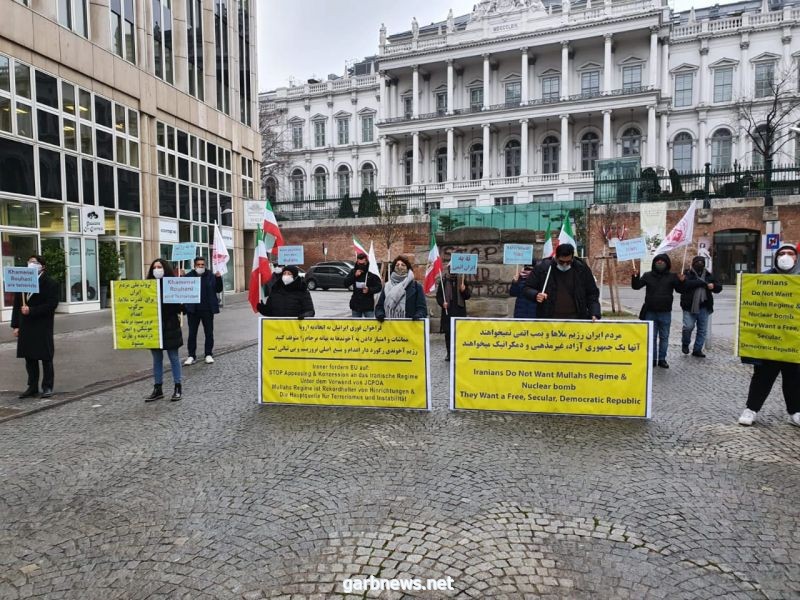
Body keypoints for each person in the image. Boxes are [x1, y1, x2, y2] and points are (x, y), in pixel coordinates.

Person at [738, 242, 800, 427]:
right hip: (768, 340)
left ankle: (796, 411)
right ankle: (751, 409)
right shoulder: (762, 279)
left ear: (796, 257)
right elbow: (752, 308)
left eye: (790, 253)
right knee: (762, 377)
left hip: (794, 341)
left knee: (794, 379)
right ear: (776, 257)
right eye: (782, 253)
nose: (786, 256)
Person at [10, 255, 59, 398]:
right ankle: (32, 386)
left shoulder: (50, 283)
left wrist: (32, 310)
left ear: (42, 266)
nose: (31, 264)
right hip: (27, 326)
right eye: (29, 262)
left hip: (42, 325)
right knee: (29, 358)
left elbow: (51, 305)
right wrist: (16, 325)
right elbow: (17, 305)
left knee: (45, 357)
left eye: (35, 262)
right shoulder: (23, 281)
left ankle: (47, 386)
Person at [631, 253, 685, 369]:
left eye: (662, 261)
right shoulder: (647, 275)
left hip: (665, 312)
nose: (660, 263)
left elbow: (681, 290)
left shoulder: (672, 276)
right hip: (651, 311)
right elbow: (636, 286)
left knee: (664, 337)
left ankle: (662, 359)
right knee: (652, 337)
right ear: (654, 263)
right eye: (657, 261)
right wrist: (635, 277)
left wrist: (681, 281)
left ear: (667, 263)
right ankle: (652, 359)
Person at [524, 244, 601, 321]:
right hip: (549, 319)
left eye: (568, 262)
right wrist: (536, 295)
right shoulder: (543, 268)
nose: (565, 264)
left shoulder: (581, 269)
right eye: (561, 262)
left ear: (572, 258)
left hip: (577, 319)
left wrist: (594, 312)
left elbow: (592, 293)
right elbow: (527, 288)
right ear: (556, 257)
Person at [145, 259, 183, 402]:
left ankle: (178, 386)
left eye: (159, 267)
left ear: (165, 269)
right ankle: (158, 388)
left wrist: (182, 305)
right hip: (154, 326)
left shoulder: (173, 285)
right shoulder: (147, 286)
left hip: (170, 325)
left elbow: (181, 309)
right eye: (154, 267)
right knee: (156, 359)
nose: (157, 269)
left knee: (173, 357)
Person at [183, 256, 224, 365]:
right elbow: (182, 291)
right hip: (193, 310)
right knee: (192, 333)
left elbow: (218, 289)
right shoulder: (189, 276)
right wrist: (181, 278)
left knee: (209, 333)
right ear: (194, 265)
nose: (200, 266)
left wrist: (219, 278)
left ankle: (208, 354)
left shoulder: (211, 276)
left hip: (207, 309)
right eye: (198, 265)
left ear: (205, 265)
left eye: (202, 265)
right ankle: (191, 355)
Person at [679, 254, 722, 357]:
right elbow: (685, 286)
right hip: (689, 306)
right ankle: (685, 343)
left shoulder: (708, 275)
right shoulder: (687, 274)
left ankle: (697, 349)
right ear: (693, 264)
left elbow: (719, 287)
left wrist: (714, 286)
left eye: (702, 262)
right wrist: (701, 283)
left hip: (704, 306)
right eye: (697, 262)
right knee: (688, 327)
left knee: (702, 330)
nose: (700, 264)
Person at [375, 256, 428, 323]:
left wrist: (418, 316)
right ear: (394, 268)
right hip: (389, 326)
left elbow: (422, 308)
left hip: (409, 326)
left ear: (408, 268)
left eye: (403, 265)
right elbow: (379, 307)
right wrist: (380, 315)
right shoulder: (386, 286)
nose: (400, 267)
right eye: (397, 265)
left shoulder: (416, 286)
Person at [436, 268, 471, 361]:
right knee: (448, 334)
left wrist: (463, 290)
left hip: (459, 311)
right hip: (448, 312)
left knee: (459, 334)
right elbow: (438, 296)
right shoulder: (443, 281)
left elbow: (467, 296)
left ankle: (459, 352)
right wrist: (442, 303)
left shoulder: (462, 280)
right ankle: (449, 353)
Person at [344, 252, 382, 318]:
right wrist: (354, 276)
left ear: (366, 262)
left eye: (363, 264)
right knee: (356, 325)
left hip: (368, 305)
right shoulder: (353, 272)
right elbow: (345, 283)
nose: (361, 266)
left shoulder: (371, 273)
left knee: (370, 324)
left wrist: (369, 290)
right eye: (359, 264)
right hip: (356, 305)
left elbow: (379, 287)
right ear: (357, 262)